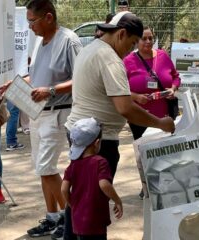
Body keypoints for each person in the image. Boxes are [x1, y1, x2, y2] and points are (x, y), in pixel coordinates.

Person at [62, 11, 174, 240]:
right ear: (121, 34)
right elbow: (124, 108)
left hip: (81, 134)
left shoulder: (92, 49)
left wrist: (131, 96)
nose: (132, 49)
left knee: (80, 199)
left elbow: (107, 93)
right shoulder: (110, 58)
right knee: (93, 208)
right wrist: (160, 123)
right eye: (132, 43)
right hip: (97, 143)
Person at [0, 0, 82, 237]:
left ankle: (72, 218)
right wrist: (15, 83)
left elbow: (81, 78)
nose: (30, 26)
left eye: (32, 21)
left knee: (46, 167)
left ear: (48, 17)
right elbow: (35, 76)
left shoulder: (68, 40)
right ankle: (53, 217)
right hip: (37, 113)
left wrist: (52, 91)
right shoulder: (38, 42)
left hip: (59, 112)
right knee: (41, 168)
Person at [123, 26, 180, 199]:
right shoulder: (127, 61)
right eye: (144, 38)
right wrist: (136, 97)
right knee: (143, 151)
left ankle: (165, 184)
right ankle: (146, 184)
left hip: (163, 114)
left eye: (151, 38)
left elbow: (176, 76)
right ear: (136, 41)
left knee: (163, 151)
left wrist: (173, 88)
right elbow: (120, 89)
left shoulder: (162, 56)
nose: (148, 42)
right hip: (139, 114)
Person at [61, 118, 123, 240]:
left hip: (78, 220)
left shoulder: (73, 165)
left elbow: (64, 189)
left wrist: (72, 203)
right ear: (97, 143)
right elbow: (104, 185)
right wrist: (117, 200)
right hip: (96, 219)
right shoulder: (100, 162)